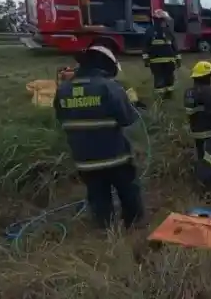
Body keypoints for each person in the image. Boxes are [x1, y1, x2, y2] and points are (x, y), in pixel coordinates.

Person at [53, 45, 145, 229]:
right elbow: (127, 119)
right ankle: (133, 227)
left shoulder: (63, 89)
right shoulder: (109, 87)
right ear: (105, 65)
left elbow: (61, 117)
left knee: (98, 196)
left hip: (84, 160)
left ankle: (104, 230)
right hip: (115, 157)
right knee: (128, 192)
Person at [184, 60, 211, 160]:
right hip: (209, 130)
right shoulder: (207, 92)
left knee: (200, 151)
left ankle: (201, 164)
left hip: (195, 129)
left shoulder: (189, 91)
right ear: (206, 77)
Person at [142, 9, 181, 99]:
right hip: (169, 60)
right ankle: (168, 96)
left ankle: (161, 98)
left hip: (156, 61)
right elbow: (175, 47)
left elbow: (145, 47)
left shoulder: (150, 31)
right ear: (163, 20)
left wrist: (146, 60)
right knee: (168, 78)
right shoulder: (168, 31)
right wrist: (178, 59)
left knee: (159, 78)